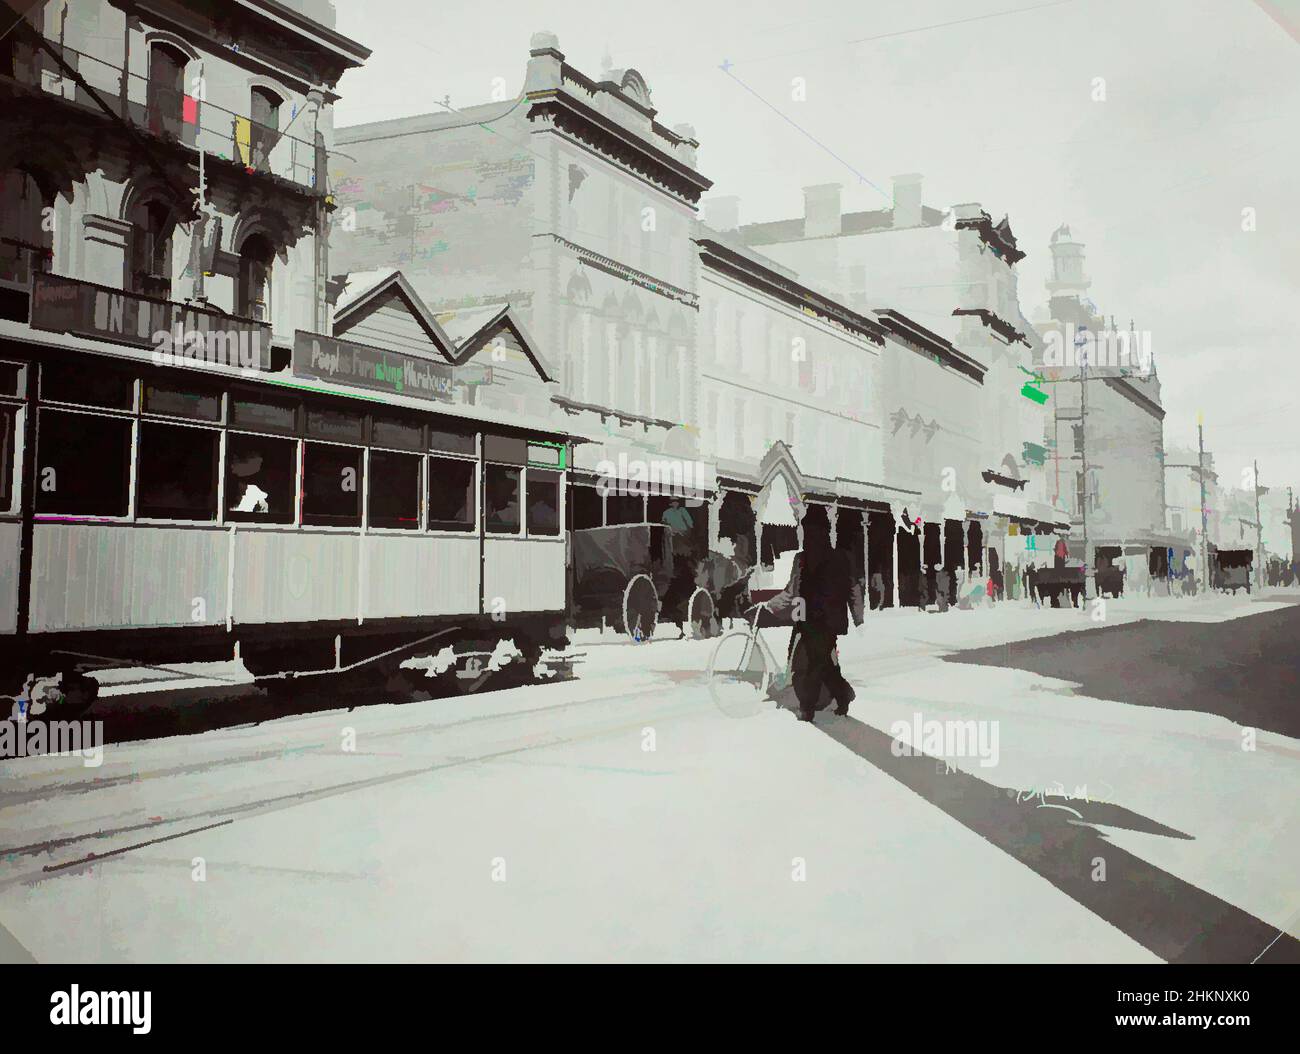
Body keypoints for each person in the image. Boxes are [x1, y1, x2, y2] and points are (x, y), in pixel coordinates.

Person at [768, 511, 864, 722]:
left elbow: (852, 589)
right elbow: (792, 591)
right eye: (808, 530)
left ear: (823, 532)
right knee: (823, 664)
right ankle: (843, 695)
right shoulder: (804, 559)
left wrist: (859, 619)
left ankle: (807, 709)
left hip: (827, 620)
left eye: (813, 530)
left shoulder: (835, 558)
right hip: (809, 618)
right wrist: (770, 605)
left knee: (815, 663)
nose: (810, 535)